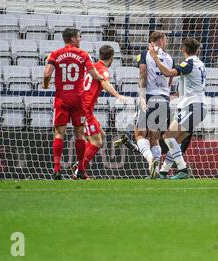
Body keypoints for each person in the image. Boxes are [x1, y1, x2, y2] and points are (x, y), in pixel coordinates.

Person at [42, 28, 106, 180]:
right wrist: (102, 80)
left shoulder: (55, 54)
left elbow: (47, 73)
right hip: (78, 99)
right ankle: (81, 169)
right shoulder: (83, 54)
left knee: (59, 133)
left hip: (61, 98)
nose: (80, 39)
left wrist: (45, 85)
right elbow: (93, 74)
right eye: (78, 37)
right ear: (71, 38)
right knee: (79, 133)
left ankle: (57, 170)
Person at [114, 31, 174, 178]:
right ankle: (158, 171)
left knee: (140, 135)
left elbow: (142, 72)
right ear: (160, 41)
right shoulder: (169, 58)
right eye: (164, 39)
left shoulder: (144, 54)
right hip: (164, 99)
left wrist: (141, 96)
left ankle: (150, 160)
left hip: (149, 97)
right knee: (155, 138)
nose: (165, 42)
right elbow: (171, 78)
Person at [148, 38, 207, 180]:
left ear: (183, 49)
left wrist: (155, 57)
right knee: (176, 141)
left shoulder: (188, 63)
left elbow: (168, 72)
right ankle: (163, 172)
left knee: (167, 136)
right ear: (197, 50)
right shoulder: (201, 63)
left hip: (193, 107)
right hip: (196, 107)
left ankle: (183, 169)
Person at [72, 45, 127, 179]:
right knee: (96, 142)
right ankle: (80, 169)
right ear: (112, 58)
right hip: (84, 110)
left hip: (83, 107)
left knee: (101, 136)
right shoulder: (103, 70)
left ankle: (79, 165)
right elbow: (104, 83)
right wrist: (118, 95)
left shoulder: (92, 66)